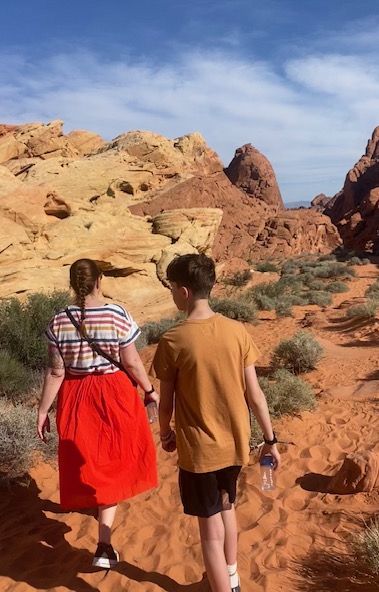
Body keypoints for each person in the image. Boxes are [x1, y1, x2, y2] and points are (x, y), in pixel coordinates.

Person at [151, 253, 281, 592]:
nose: (172, 294)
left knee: (209, 532)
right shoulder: (237, 331)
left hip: (200, 452)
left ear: (183, 292)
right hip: (235, 444)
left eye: (171, 288)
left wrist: (165, 433)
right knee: (227, 507)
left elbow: (166, 404)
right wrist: (270, 440)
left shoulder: (173, 340)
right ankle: (231, 578)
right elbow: (255, 394)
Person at [37, 258, 158, 569]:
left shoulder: (58, 321)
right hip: (113, 392)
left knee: (92, 459)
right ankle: (104, 544)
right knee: (112, 461)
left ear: (72, 283)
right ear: (99, 281)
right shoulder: (116, 313)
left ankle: (103, 530)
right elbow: (131, 362)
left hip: (76, 395)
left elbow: (55, 372)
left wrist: (43, 410)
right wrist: (149, 390)